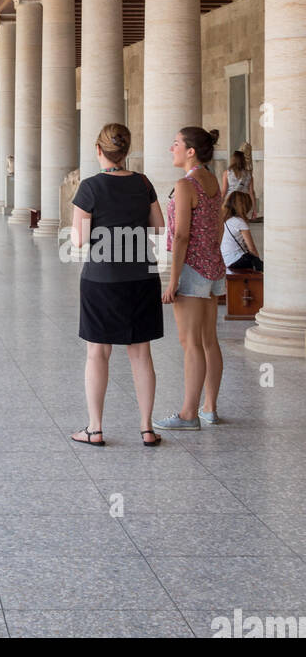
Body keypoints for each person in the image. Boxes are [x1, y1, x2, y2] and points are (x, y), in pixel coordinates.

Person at [69, 124, 166, 448]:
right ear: (126, 152)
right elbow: (159, 226)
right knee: (141, 354)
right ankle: (147, 428)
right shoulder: (143, 182)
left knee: (97, 353)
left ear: (99, 150)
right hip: (142, 277)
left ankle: (95, 429)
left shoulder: (90, 187)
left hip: (102, 279)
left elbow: (80, 239)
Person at [156, 126, 225, 430]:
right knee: (209, 340)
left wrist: (173, 280)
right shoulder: (211, 180)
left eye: (175, 144)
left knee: (190, 343)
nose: (171, 149)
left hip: (192, 268)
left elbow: (181, 235)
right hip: (213, 265)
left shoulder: (186, 185)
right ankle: (209, 407)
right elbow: (217, 226)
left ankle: (188, 414)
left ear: (190, 151)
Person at [220, 189, 261, 271]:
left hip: (224, 261)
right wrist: (258, 263)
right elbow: (252, 249)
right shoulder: (239, 222)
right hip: (236, 261)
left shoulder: (222, 220)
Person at [220, 147, 257, 218]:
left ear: (233, 160)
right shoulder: (249, 174)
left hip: (230, 200)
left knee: (229, 222)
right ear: (243, 160)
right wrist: (254, 209)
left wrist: (219, 205)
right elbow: (251, 192)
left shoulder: (227, 173)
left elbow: (224, 191)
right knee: (242, 221)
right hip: (244, 201)